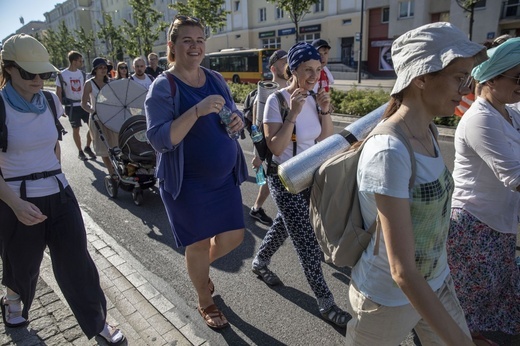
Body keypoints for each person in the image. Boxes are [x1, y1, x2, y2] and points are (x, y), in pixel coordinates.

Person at [346, 22, 486, 345]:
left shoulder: (430, 132)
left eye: (468, 78)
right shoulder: (389, 150)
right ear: (421, 77)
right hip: (385, 301)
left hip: (436, 283)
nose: (466, 90)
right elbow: (402, 271)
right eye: (458, 77)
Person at [0, 34, 124, 345]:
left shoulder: (51, 101)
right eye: (29, 74)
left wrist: (58, 182)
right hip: (17, 198)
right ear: (9, 68)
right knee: (22, 264)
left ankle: (97, 322)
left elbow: (53, 146)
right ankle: (13, 300)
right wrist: (15, 204)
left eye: (42, 73)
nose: (38, 80)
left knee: (76, 264)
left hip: (58, 192)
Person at [145, 15, 247, 330]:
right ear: (172, 47)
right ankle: (205, 299)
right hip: (187, 184)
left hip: (222, 180)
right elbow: (161, 139)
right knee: (198, 243)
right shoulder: (164, 86)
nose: (195, 46)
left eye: (200, 39)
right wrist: (197, 110)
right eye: (187, 40)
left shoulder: (215, 78)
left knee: (234, 236)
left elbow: (231, 111)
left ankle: (199, 270)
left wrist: (238, 120)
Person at [250, 42, 348, 327]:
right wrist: (293, 112)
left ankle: (260, 261)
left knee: (285, 224)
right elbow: (276, 146)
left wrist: (325, 111)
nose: (314, 75)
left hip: (311, 177)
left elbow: (323, 142)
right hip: (284, 178)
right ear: (292, 69)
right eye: (307, 70)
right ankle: (326, 303)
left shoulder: (316, 97)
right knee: (306, 241)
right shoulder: (277, 101)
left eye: (318, 70)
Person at [447, 37, 520, 345]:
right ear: (492, 76)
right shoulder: (480, 118)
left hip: (499, 223)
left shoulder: (510, 114)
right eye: (518, 78)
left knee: (494, 294)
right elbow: (514, 175)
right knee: (469, 299)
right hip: (473, 226)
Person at [249, 49, 288, 226]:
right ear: (272, 68)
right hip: (269, 147)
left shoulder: (288, 90)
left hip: (284, 144)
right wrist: (258, 155)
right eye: (283, 62)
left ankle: (257, 208)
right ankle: (258, 209)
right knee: (268, 179)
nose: (287, 65)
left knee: (270, 180)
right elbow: (256, 127)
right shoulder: (264, 94)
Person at [81, 57, 119, 180]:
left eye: (105, 68)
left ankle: (119, 168)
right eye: (100, 68)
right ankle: (111, 171)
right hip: (97, 119)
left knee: (115, 145)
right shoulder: (89, 83)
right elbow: (84, 103)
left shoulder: (110, 82)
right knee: (104, 148)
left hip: (110, 118)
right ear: (95, 70)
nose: (103, 70)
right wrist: (93, 111)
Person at [56, 51, 95, 161]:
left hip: (84, 105)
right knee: (76, 129)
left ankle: (87, 147)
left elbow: (88, 90)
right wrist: (60, 109)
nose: (81, 63)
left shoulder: (82, 74)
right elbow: (58, 92)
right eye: (80, 61)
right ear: (74, 61)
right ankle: (80, 151)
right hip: (71, 106)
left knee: (92, 126)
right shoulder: (62, 75)